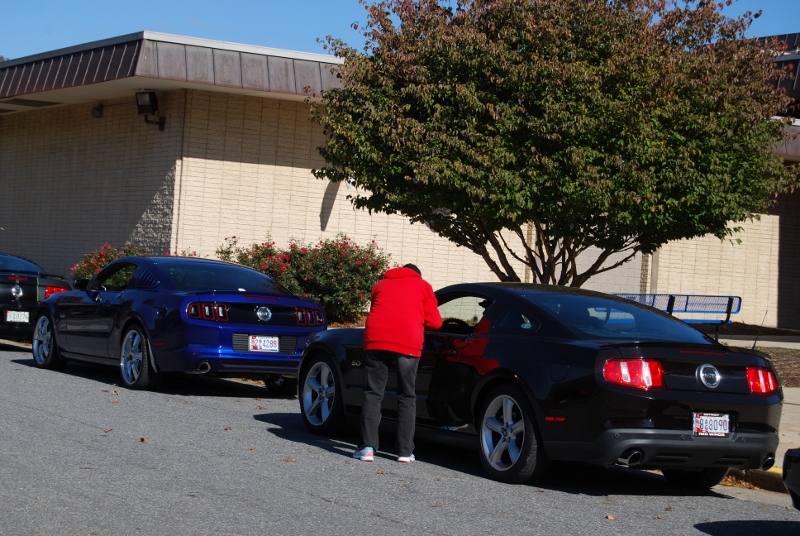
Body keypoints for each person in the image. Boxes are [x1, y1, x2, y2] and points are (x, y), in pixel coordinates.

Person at [353, 263, 443, 463]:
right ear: (417, 275)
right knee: (406, 395)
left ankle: (367, 448)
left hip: (376, 340)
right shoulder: (423, 286)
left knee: (373, 393)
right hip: (407, 343)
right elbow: (435, 323)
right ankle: (404, 451)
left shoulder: (380, 285)